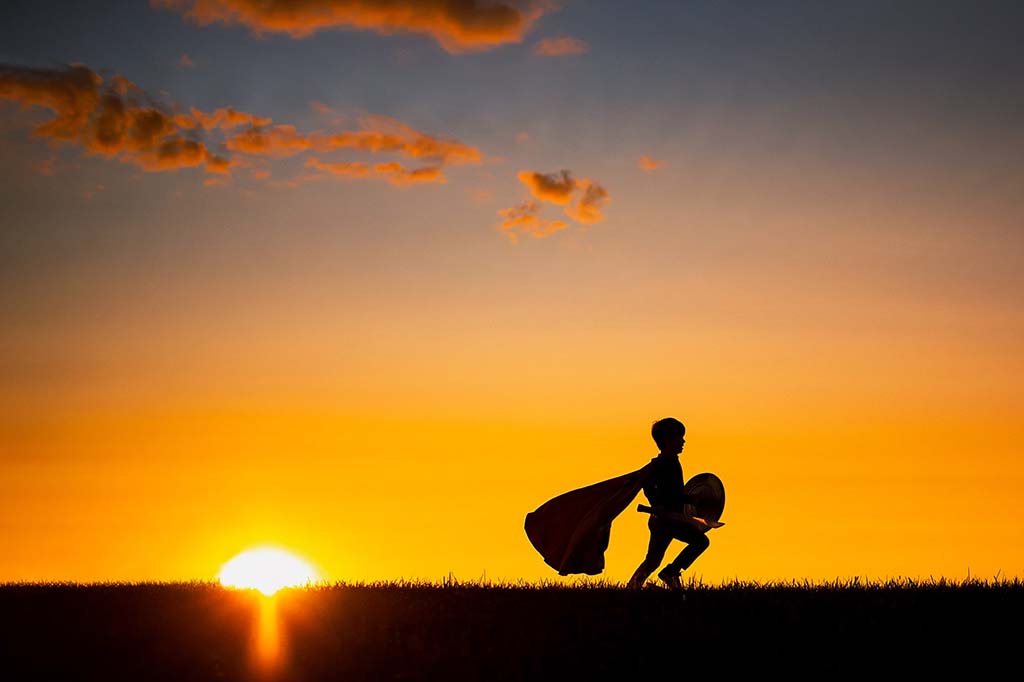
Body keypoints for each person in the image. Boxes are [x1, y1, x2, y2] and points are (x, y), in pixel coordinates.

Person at [626, 417, 710, 590]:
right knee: (701, 542)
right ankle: (671, 572)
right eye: (679, 437)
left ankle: (632, 587)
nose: (683, 441)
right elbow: (647, 484)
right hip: (667, 520)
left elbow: (673, 494)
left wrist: (689, 499)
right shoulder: (662, 464)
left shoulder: (671, 462)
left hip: (666, 519)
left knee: (652, 560)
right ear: (666, 439)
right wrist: (656, 503)